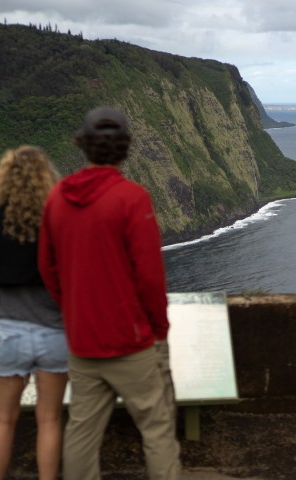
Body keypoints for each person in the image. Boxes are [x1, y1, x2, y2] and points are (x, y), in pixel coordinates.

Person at [38, 106, 181, 479]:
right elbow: (150, 278)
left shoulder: (57, 199)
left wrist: (72, 310)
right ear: (124, 148)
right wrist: (158, 330)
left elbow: (48, 270)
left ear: (83, 145)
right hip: (131, 343)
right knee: (158, 429)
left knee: (82, 432)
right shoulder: (131, 199)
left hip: (82, 342)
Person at [0, 145, 67, 480]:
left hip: (9, 333)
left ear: (4, 180)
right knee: (50, 420)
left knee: (2, 420)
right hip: (54, 333)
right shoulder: (59, 227)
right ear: (47, 179)